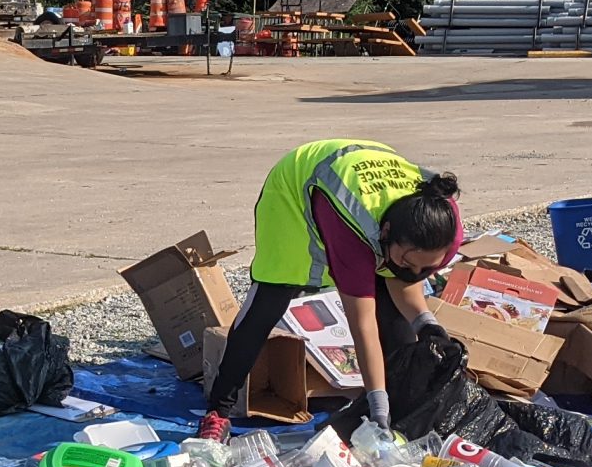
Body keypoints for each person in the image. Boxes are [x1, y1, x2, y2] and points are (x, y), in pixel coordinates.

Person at [195, 140, 464, 444]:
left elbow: (404, 282)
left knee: (398, 326)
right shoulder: (353, 229)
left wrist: (427, 325)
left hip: (372, 195)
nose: (412, 270)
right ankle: (218, 411)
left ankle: (394, 410)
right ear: (385, 233)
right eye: (405, 261)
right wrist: (378, 409)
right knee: (270, 299)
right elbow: (362, 325)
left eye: (422, 266)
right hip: (296, 191)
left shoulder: (442, 229)